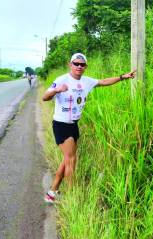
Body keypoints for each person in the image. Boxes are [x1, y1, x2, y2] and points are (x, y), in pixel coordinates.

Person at [42, 53, 136, 204]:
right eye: (76, 63)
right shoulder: (62, 80)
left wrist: (122, 77)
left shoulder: (86, 81)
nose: (79, 66)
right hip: (61, 124)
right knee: (71, 160)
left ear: (85, 67)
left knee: (67, 159)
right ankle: (74, 197)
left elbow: (104, 81)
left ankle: (52, 193)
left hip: (73, 124)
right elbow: (45, 97)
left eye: (82, 64)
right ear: (70, 64)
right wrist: (56, 90)